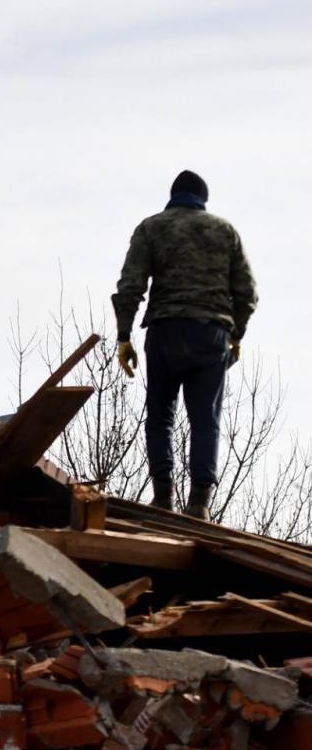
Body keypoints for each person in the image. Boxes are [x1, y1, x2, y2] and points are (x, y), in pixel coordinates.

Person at [112, 170, 257, 519]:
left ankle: (163, 497)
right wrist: (236, 335)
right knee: (205, 419)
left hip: (165, 332)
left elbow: (130, 286)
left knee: (160, 416)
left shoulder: (151, 228)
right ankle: (200, 504)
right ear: (203, 199)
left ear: (172, 196)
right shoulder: (224, 231)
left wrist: (124, 336)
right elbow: (247, 294)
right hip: (211, 335)